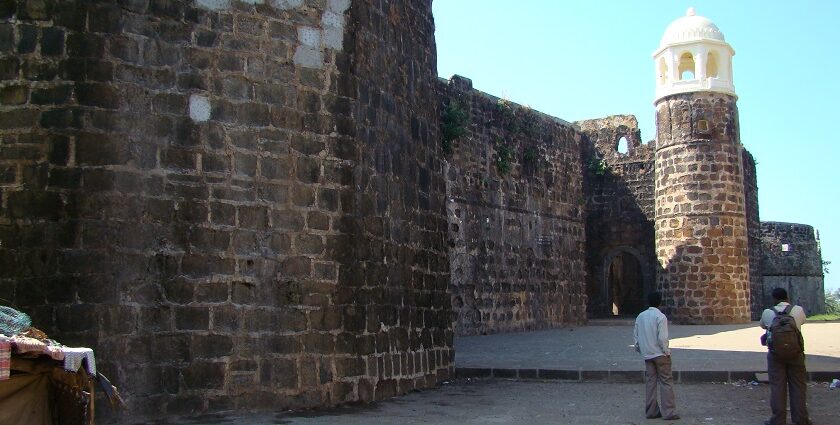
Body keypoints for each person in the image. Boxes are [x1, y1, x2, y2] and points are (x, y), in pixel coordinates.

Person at [760, 287, 811, 425]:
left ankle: (778, 420)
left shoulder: (768, 312)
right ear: (787, 298)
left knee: (777, 386)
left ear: (774, 299)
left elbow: (763, 326)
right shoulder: (798, 310)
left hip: (776, 354)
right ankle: (800, 419)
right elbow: (802, 322)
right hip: (796, 353)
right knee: (798, 385)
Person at [634, 291, 679, 420]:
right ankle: (669, 412)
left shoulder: (640, 316)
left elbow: (636, 336)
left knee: (650, 382)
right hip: (660, 354)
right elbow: (662, 338)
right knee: (666, 382)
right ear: (660, 302)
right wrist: (666, 351)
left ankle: (651, 411)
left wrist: (641, 350)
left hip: (647, 354)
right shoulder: (660, 317)